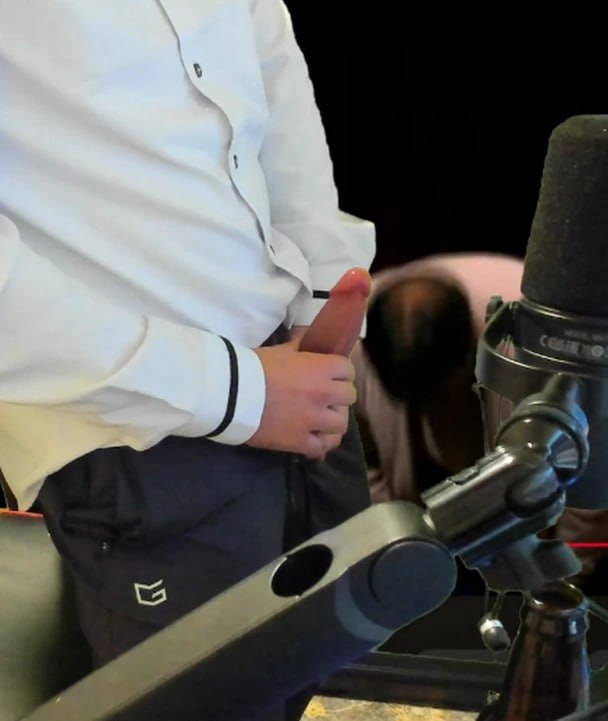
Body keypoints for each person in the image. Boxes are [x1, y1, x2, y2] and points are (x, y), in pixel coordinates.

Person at [0, 3, 374, 720]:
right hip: (142, 432)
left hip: (299, 373)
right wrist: (235, 391)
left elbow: (266, 58)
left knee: (332, 678)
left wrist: (325, 283)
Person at [352, 253, 608, 593]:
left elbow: (594, 474)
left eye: (440, 397)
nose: (434, 414)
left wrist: (565, 579)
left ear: (468, 358)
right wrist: (400, 547)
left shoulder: (553, 342)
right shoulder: (352, 342)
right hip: (434, 516)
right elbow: (364, 458)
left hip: (550, 496)